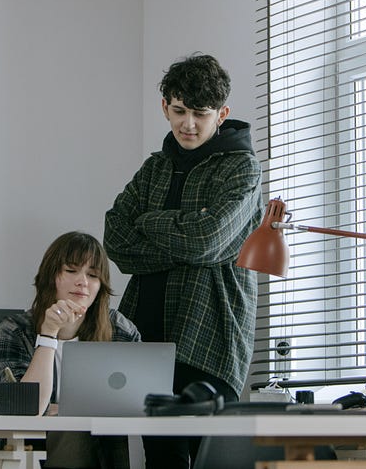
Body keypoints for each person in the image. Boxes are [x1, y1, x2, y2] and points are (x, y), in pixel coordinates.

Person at [104, 53, 263, 468]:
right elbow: (116, 239)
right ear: (165, 107)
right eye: (178, 111)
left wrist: (150, 221)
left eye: (200, 113)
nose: (187, 124)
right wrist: (188, 235)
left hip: (211, 337)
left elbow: (206, 241)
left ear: (222, 114)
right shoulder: (153, 168)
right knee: (161, 463)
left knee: (213, 462)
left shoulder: (242, 170)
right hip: (146, 338)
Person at [0, 231, 139, 469]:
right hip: (27, 450)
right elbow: (25, 412)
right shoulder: (12, 331)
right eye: (71, 271)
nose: (83, 282)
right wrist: (48, 335)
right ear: (51, 276)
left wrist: (69, 409)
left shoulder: (119, 330)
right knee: (71, 428)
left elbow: (138, 402)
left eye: (93, 275)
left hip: (102, 453)